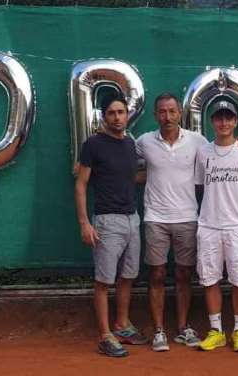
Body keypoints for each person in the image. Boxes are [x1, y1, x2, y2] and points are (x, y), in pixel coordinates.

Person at [74, 97, 148, 357]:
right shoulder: (93, 145)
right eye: (112, 113)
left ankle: (122, 325)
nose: (117, 117)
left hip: (132, 219)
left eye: (121, 112)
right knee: (104, 281)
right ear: (104, 116)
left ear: (128, 115)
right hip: (107, 221)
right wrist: (85, 223)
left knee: (128, 276)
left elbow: (133, 177)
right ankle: (105, 335)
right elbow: (81, 183)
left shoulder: (130, 144)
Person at [135, 93, 207, 351]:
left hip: (188, 217)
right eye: (162, 112)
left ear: (180, 114)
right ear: (156, 115)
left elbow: (220, 154)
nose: (167, 117)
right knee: (156, 274)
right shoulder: (144, 142)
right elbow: (125, 163)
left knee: (184, 274)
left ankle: (183, 328)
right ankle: (158, 331)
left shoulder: (198, 141)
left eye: (172, 111)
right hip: (155, 218)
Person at [193, 101, 238, 352]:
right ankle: (216, 331)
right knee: (209, 279)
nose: (223, 123)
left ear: (236, 122)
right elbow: (199, 184)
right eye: (218, 118)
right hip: (209, 226)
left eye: (229, 118)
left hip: (237, 226)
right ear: (212, 122)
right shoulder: (203, 152)